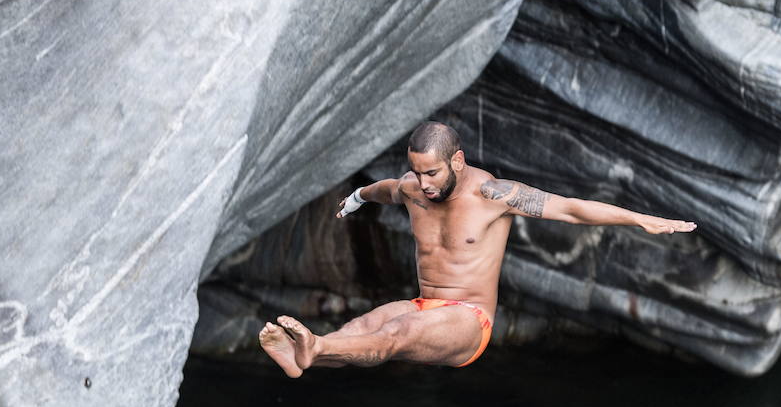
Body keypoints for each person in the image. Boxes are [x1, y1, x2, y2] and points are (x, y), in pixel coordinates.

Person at [258, 121, 696, 375]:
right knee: (362, 327)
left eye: (432, 173)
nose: (425, 185)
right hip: (426, 303)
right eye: (417, 172)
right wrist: (355, 199)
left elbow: (573, 210)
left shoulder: (493, 194)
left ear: (458, 161)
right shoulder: (412, 189)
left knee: (393, 336)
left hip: (470, 322)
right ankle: (305, 358)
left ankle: (313, 347)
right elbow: (383, 189)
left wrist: (639, 219)